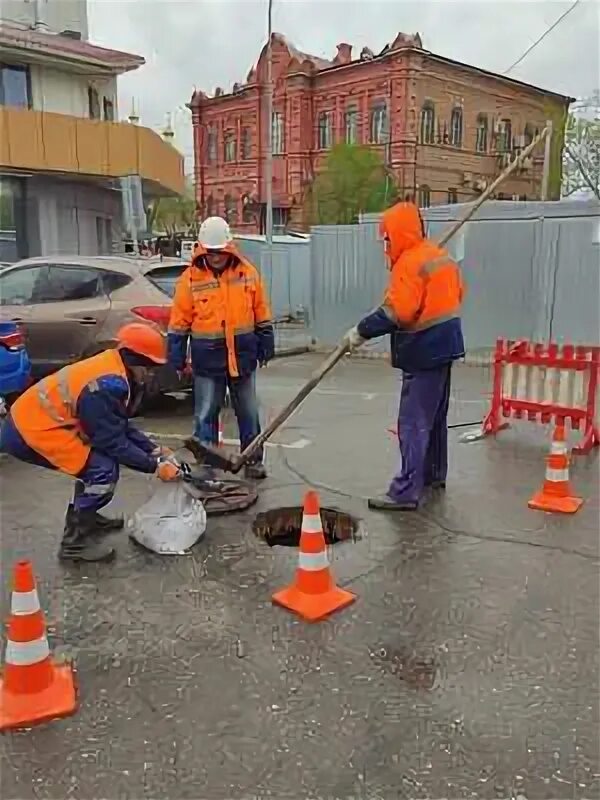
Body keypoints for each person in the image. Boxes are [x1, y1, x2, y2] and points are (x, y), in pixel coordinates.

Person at [0, 323, 182, 563]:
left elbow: (118, 423)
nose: (150, 374)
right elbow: (112, 441)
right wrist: (155, 467)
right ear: (134, 360)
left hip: (35, 421)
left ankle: (88, 518)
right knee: (102, 471)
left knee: (93, 465)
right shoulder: (106, 385)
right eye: (149, 368)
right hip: (30, 432)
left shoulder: (113, 366)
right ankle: (74, 543)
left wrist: (153, 449)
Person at [344, 201, 465, 510]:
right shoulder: (439, 256)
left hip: (424, 349)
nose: (385, 245)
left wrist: (361, 331)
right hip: (446, 344)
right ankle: (433, 475)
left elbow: (399, 311)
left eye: (386, 238)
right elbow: (459, 293)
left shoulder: (409, 262)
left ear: (397, 234)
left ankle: (406, 491)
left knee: (413, 422)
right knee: (435, 418)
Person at [167, 216, 274, 479]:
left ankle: (253, 460)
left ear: (229, 247)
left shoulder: (247, 273)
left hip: (242, 356)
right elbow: (179, 322)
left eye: (220, 252)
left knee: (248, 413)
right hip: (208, 360)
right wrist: (177, 357)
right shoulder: (189, 279)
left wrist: (266, 343)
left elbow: (261, 311)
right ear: (203, 249)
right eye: (210, 252)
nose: (215, 257)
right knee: (206, 415)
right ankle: (207, 462)